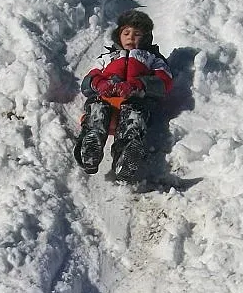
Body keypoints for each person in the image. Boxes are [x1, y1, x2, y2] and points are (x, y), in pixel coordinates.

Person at [74, 9, 173, 181]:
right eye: (126, 33)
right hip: (106, 99)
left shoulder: (152, 58)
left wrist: (138, 85)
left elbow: (164, 81)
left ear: (146, 38)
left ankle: (126, 157)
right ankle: (90, 147)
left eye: (137, 34)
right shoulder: (107, 57)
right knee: (97, 111)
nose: (130, 37)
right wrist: (100, 84)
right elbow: (88, 80)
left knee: (134, 120)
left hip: (135, 101)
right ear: (118, 36)